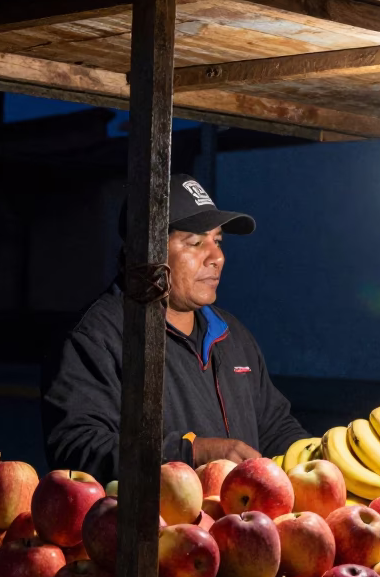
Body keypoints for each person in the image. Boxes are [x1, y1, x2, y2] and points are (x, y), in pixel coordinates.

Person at [41, 173, 309, 480]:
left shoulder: (233, 335)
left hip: (239, 521)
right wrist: (191, 454)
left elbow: (274, 426)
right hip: (155, 527)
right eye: (196, 242)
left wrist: (317, 457)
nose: (217, 257)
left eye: (218, 241)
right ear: (144, 249)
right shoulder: (96, 338)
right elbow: (77, 448)